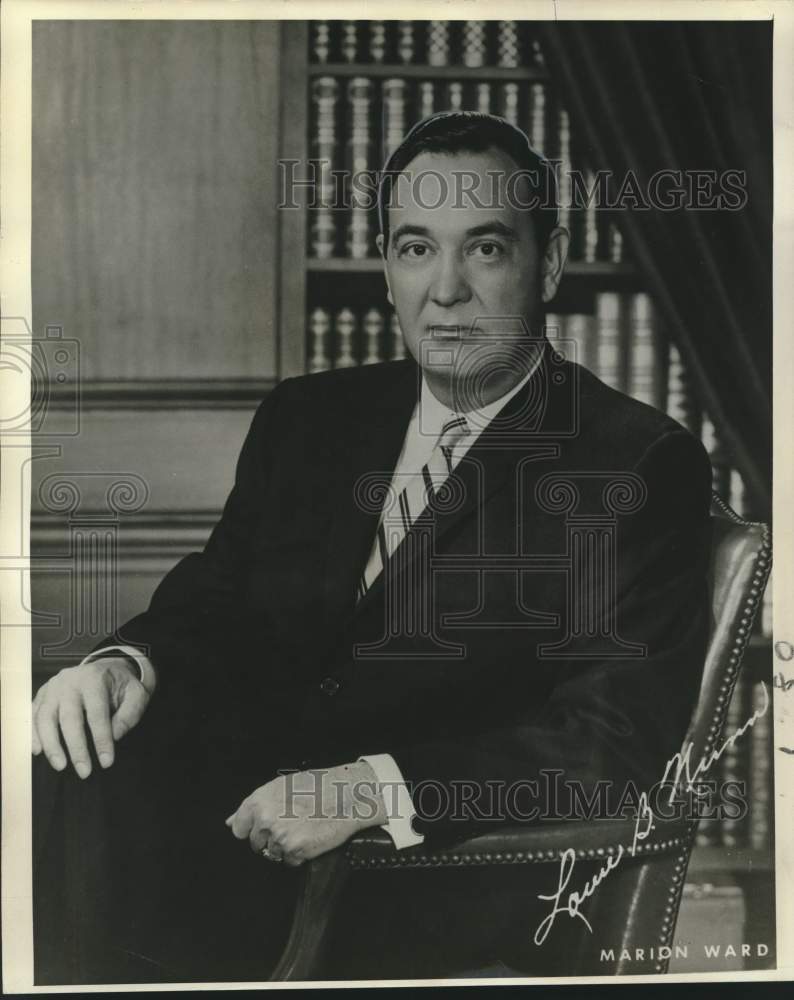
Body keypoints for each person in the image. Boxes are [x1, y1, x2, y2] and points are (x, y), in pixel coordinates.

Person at [31, 111, 713, 983]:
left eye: (488, 249)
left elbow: (609, 741)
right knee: (74, 754)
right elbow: (220, 597)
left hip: (421, 872)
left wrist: (369, 789)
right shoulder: (311, 418)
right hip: (239, 825)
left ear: (550, 262)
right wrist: (126, 663)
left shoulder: (635, 461)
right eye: (417, 247)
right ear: (388, 268)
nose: (447, 290)